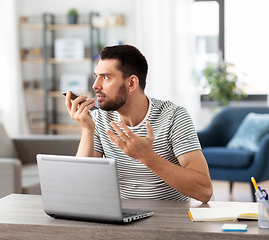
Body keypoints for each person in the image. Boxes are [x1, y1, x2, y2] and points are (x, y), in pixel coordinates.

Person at [65, 44, 213, 203]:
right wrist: (87, 130)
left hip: (170, 219)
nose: (95, 85)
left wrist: (146, 156)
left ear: (131, 83)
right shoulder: (99, 118)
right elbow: (81, 187)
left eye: (106, 77)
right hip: (120, 217)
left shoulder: (173, 116)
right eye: (96, 76)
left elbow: (204, 191)